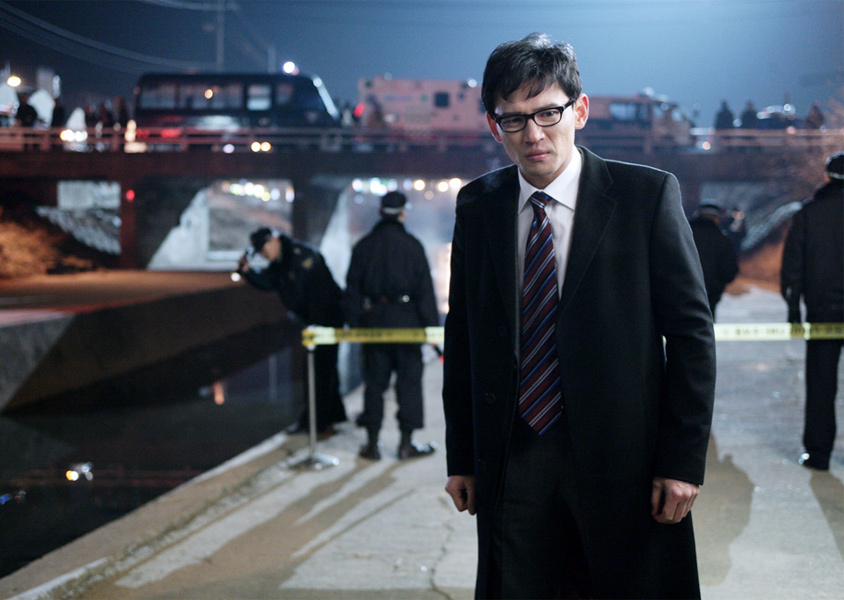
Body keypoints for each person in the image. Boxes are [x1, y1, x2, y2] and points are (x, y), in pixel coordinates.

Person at [442, 33, 716, 599]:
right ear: (494, 126)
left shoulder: (644, 197)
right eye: (513, 119)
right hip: (515, 452)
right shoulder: (478, 205)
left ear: (580, 110)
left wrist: (682, 461)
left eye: (548, 112)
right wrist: (463, 457)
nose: (533, 134)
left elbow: (692, 335)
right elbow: (464, 335)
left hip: (624, 454)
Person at [344, 191, 439, 460]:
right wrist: (431, 327)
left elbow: (352, 289)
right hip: (409, 324)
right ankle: (406, 444)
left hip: (374, 324)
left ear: (380, 212)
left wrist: (354, 323)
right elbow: (425, 291)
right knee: (409, 385)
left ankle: (372, 445)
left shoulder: (364, 246)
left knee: (374, 386)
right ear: (403, 213)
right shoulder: (413, 245)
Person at [237, 227, 347, 437]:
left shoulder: (301, 256)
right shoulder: (281, 261)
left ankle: (318, 423)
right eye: (260, 252)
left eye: (264, 249)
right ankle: (328, 418)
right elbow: (269, 282)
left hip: (326, 320)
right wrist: (247, 272)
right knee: (323, 371)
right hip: (315, 322)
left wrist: (316, 326)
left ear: (274, 240)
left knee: (318, 372)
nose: (264, 255)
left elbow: (318, 294)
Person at [780, 152, 844, 472]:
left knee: (821, 384)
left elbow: (794, 264)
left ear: (828, 177)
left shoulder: (809, 214)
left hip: (823, 312)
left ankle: (818, 454)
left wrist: (793, 308)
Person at [689, 202, 739, 317]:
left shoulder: (684, 236)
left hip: (684, 290)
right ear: (717, 218)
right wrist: (718, 285)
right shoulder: (722, 240)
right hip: (712, 292)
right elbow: (729, 269)